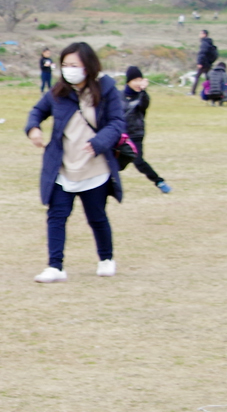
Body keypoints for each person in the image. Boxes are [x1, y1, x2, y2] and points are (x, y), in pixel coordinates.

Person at [25, 41, 124, 283]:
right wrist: (33, 128)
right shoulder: (59, 91)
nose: (69, 69)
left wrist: (100, 142)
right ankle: (55, 266)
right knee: (57, 215)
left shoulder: (106, 89)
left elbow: (117, 123)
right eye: (65, 65)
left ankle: (106, 259)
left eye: (74, 65)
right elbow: (37, 111)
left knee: (96, 216)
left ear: (88, 66)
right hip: (63, 165)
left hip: (94, 165)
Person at [117, 66, 170, 193]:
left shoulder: (142, 97)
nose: (137, 83)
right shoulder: (118, 96)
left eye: (139, 80)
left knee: (138, 162)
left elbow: (144, 104)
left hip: (135, 134)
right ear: (128, 81)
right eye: (134, 80)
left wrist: (143, 91)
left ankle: (159, 181)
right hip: (119, 134)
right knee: (112, 161)